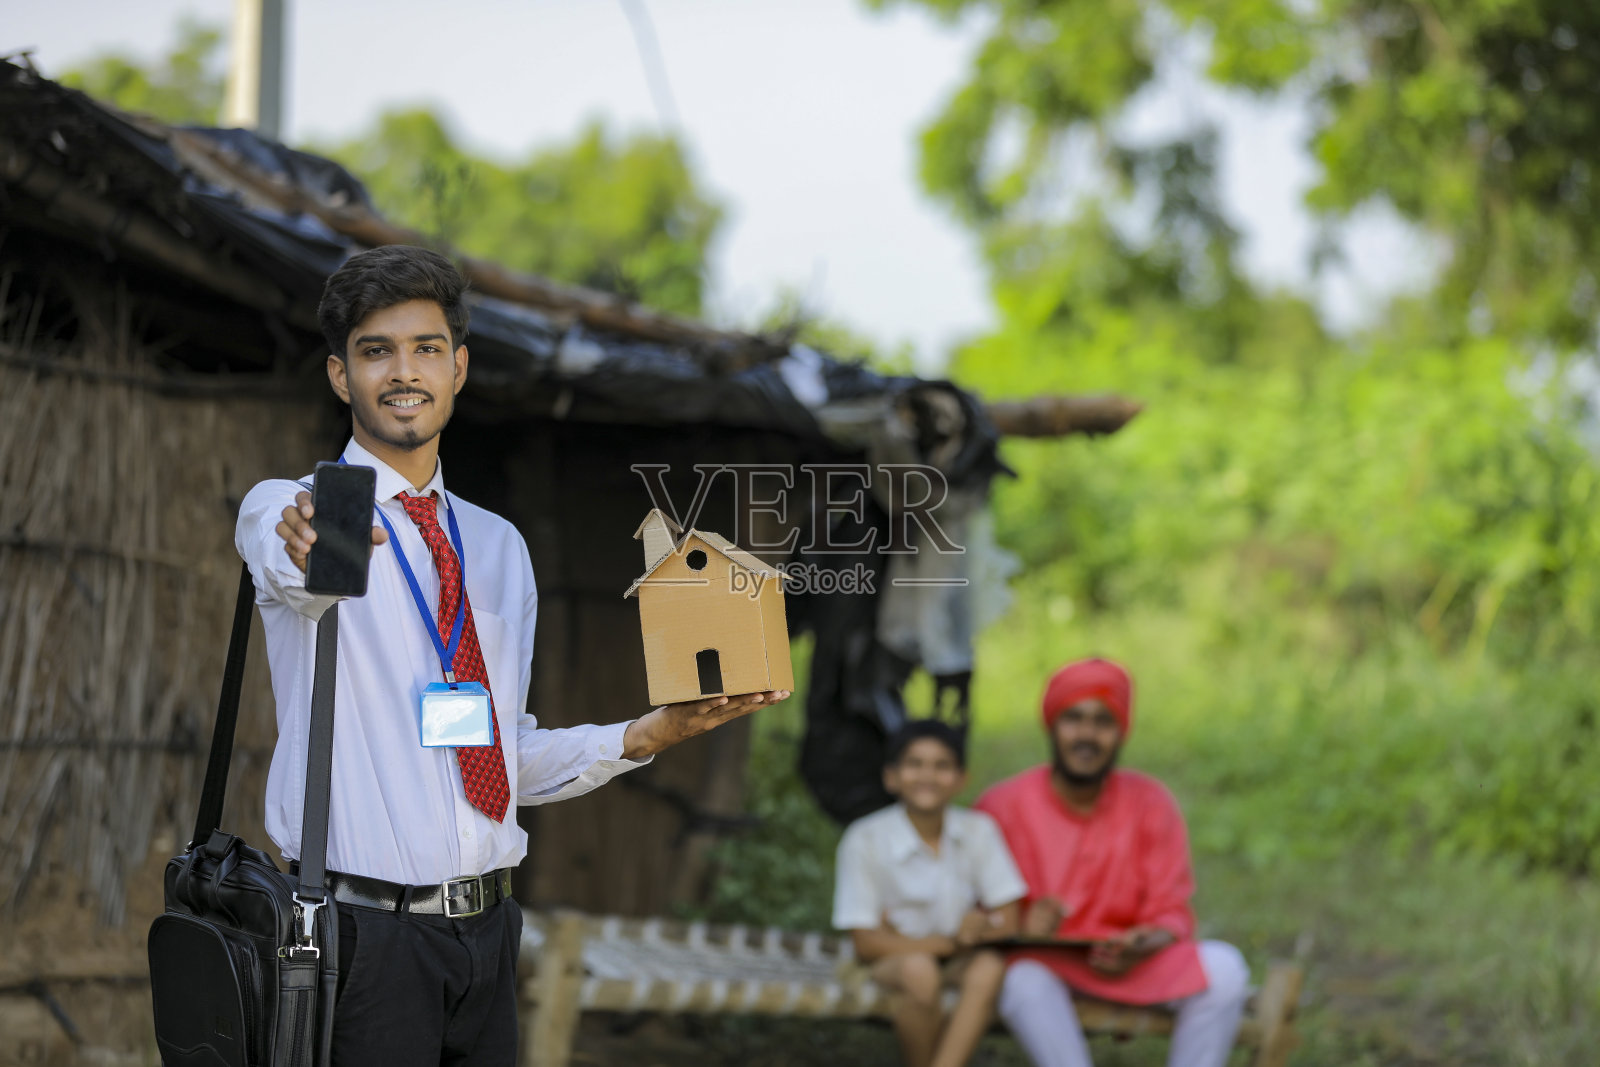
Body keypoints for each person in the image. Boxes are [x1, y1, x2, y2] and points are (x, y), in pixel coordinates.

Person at [237, 245, 790, 1066]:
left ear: (458, 367)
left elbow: (499, 755)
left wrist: (646, 735)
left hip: (489, 936)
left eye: (426, 348)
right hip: (360, 942)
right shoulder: (290, 505)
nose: (403, 372)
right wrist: (312, 538)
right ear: (338, 375)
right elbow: (297, 567)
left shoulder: (496, 547)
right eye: (375, 350)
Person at [975, 658, 1250, 1067]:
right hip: (1046, 965)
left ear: (1121, 731)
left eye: (1103, 721)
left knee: (1225, 970)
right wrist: (1018, 925)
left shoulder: (1151, 802)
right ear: (1051, 724)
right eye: (1074, 718)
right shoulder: (1001, 807)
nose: (1087, 734)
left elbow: (1171, 911)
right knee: (1021, 981)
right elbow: (971, 915)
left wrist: (1145, 941)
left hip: (1132, 965)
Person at [832, 720, 1028, 1067]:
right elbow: (866, 943)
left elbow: (1009, 921)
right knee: (919, 970)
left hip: (953, 957)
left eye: (942, 765)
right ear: (890, 777)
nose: (928, 776)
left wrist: (977, 927)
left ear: (961, 778)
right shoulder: (864, 838)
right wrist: (949, 943)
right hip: (885, 963)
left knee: (989, 968)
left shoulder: (979, 831)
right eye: (915, 764)